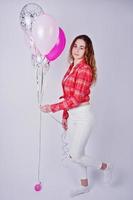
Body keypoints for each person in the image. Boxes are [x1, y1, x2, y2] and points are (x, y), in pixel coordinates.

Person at [40, 35, 112, 197]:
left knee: (75, 155)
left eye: (82, 47)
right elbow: (67, 95)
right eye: (75, 46)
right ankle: (84, 186)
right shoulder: (72, 66)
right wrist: (65, 116)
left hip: (83, 117)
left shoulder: (85, 69)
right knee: (79, 154)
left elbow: (77, 98)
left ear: (87, 51)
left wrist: (52, 108)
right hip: (72, 116)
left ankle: (106, 167)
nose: (77, 50)